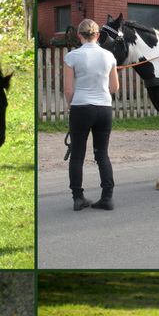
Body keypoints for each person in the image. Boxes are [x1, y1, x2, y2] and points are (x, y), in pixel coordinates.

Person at [63, 19, 120, 211]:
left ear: (79, 35)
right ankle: (107, 197)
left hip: (81, 107)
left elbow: (68, 90)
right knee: (102, 153)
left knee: (77, 155)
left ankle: (78, 198)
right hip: (103, 108)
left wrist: (71, 106)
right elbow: (114, 87)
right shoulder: (109, 56)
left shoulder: (72, 56)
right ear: (97, 35)